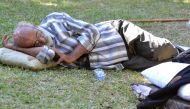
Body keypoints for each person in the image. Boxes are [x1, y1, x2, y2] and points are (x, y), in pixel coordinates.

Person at [2, 12, 179, 70]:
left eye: (37, 32)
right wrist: (13, 47)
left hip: (120, 34)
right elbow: (46, 56)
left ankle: (179, 49)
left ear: (35, 25)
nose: (41, 39)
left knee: (165, 53)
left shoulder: (54, 19)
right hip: (116, 58)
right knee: (169, 66)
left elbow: (91, 30)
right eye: (35, 42)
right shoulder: (43, 49)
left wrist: (71, 56)